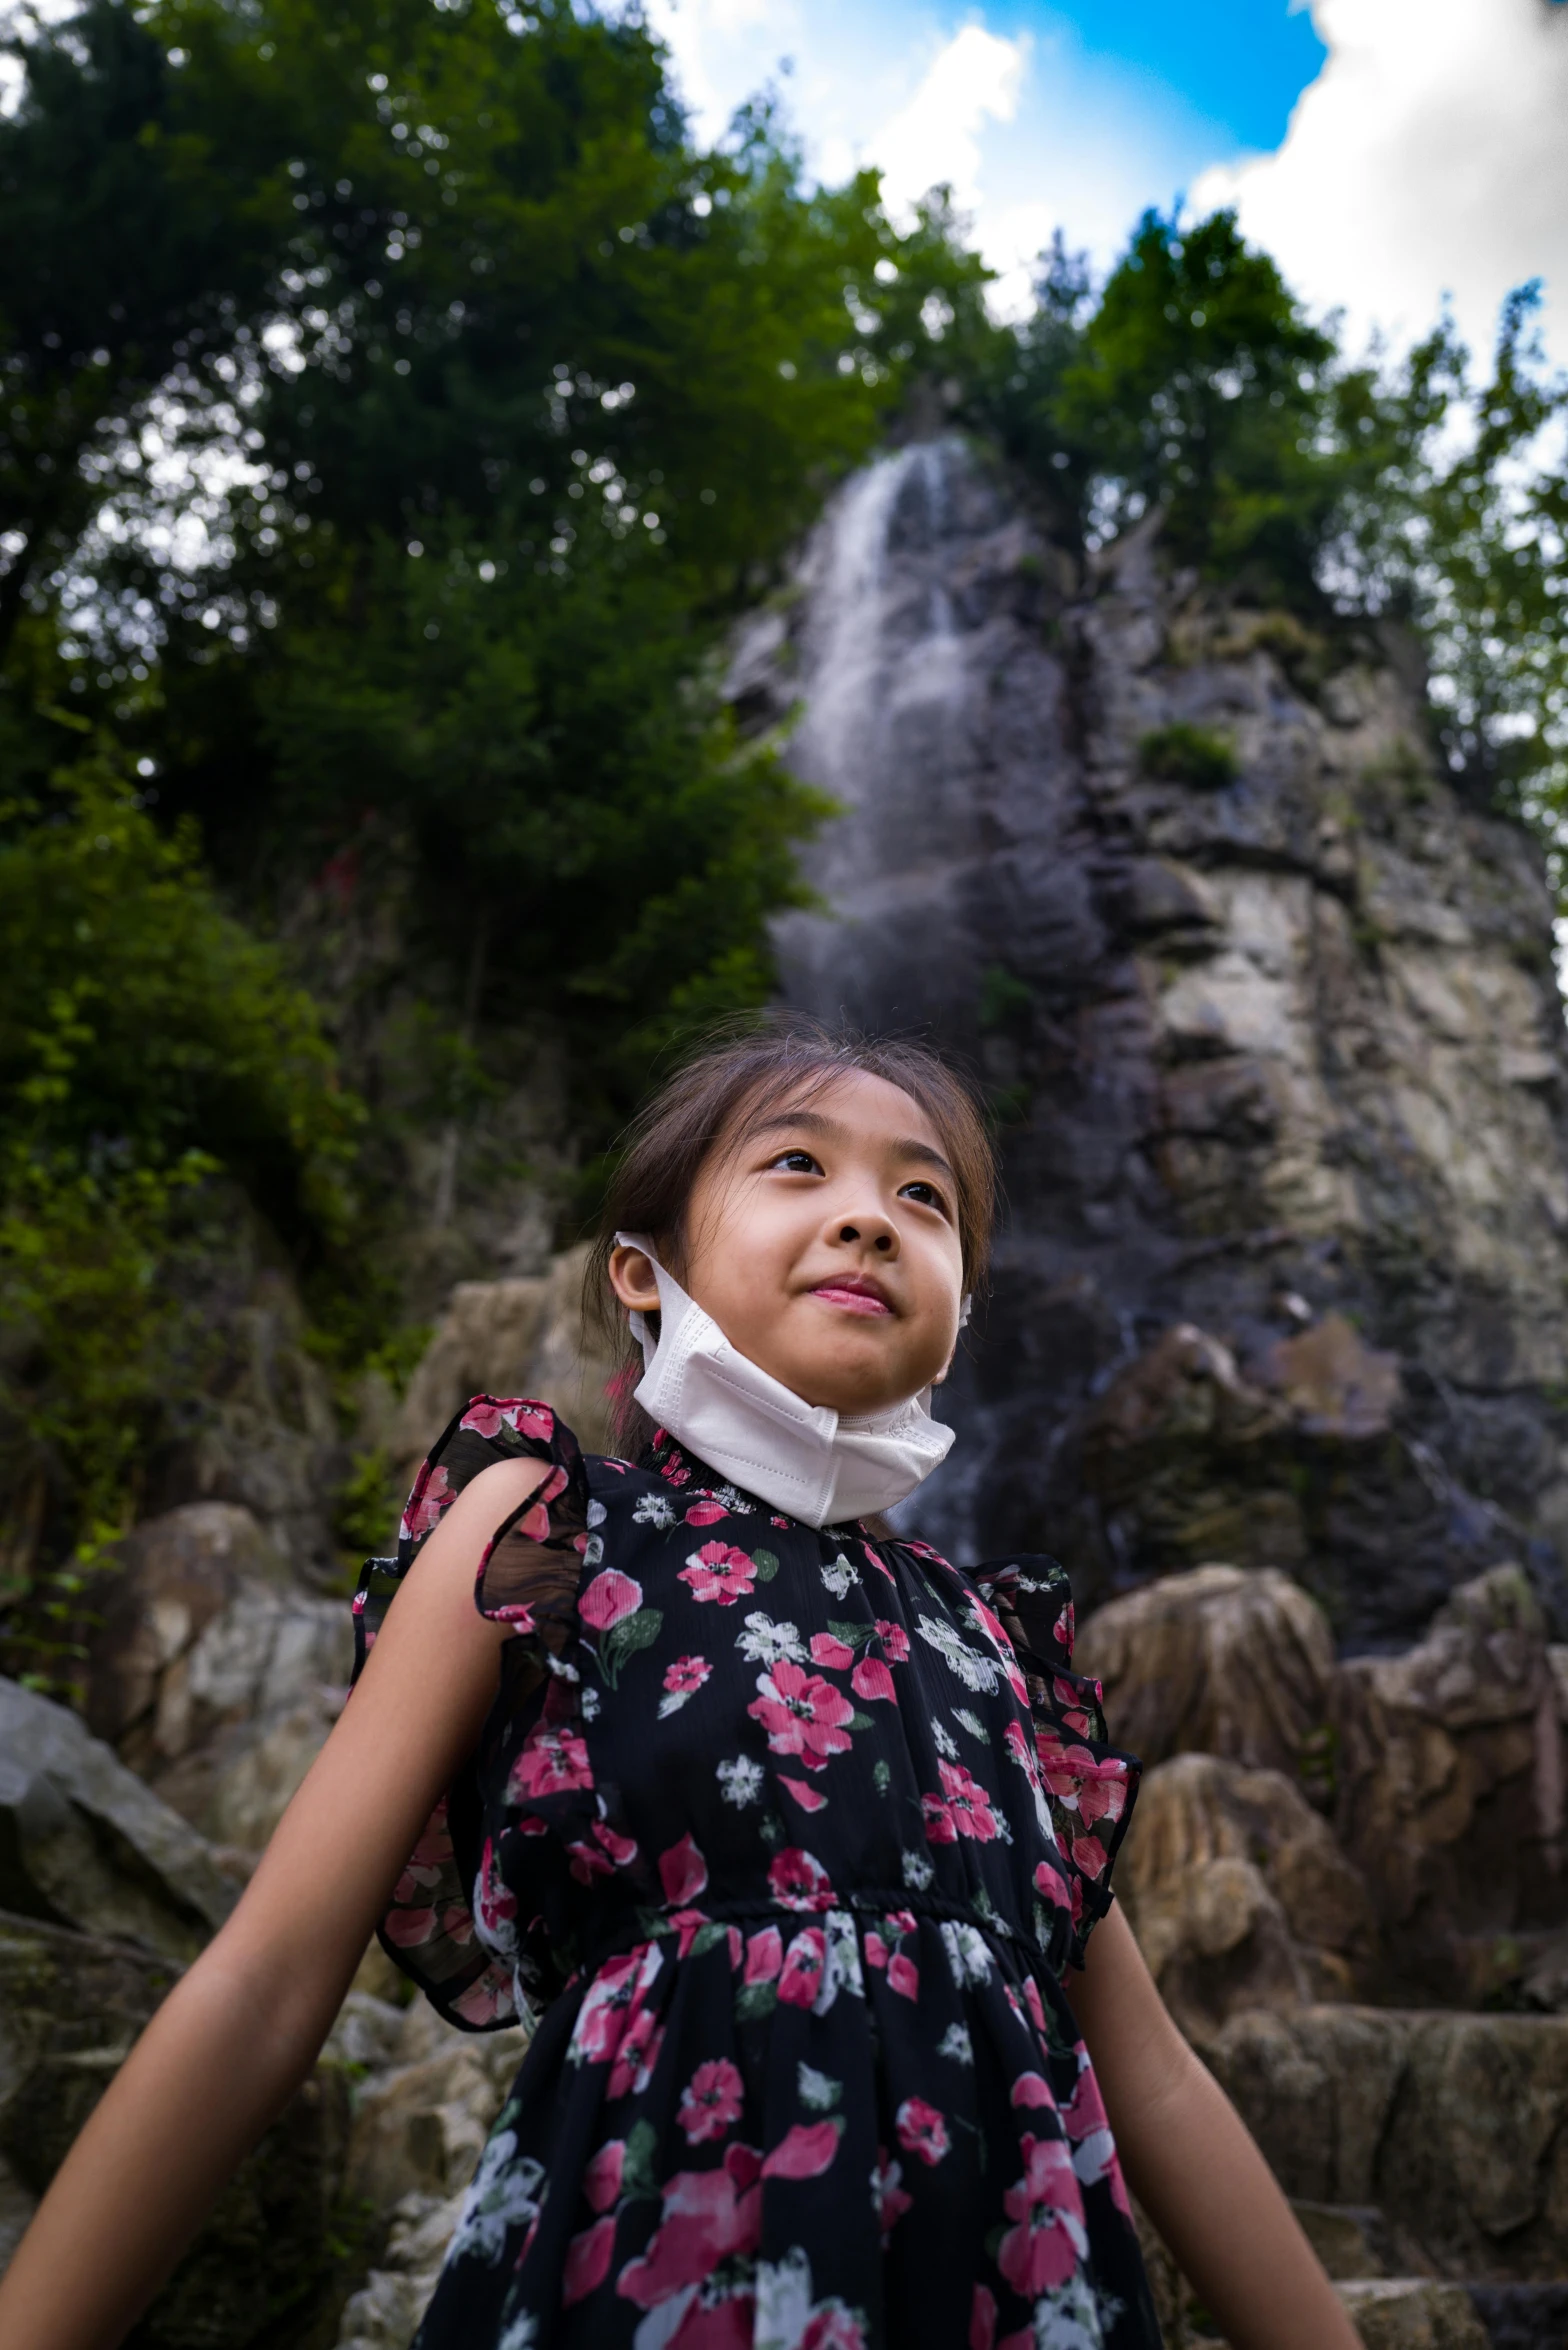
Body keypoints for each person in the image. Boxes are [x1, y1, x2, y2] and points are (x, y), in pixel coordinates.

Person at [0, 1019, 1362, 2350]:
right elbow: (266, 1980)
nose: (870, 1217)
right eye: (797, 1165)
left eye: (924, 1196)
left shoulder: (997, 1645)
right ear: (643, 1271)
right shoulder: (547, 1533)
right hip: (646, 2264)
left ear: (959, 1319)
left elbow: (1161, 2082)